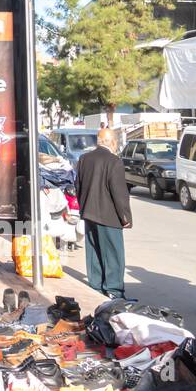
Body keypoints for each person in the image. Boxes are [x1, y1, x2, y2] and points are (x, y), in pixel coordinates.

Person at [75, 126, 131, 298]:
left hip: (89, 213)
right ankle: (114, 289)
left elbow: (78, 186)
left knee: (94, 252)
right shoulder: (114, 161)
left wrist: (83, 207)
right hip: (109, 216)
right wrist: (125, 217)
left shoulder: (84, 159)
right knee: (113, 254)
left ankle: (96, 285)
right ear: (113, 142)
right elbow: (119, 193)